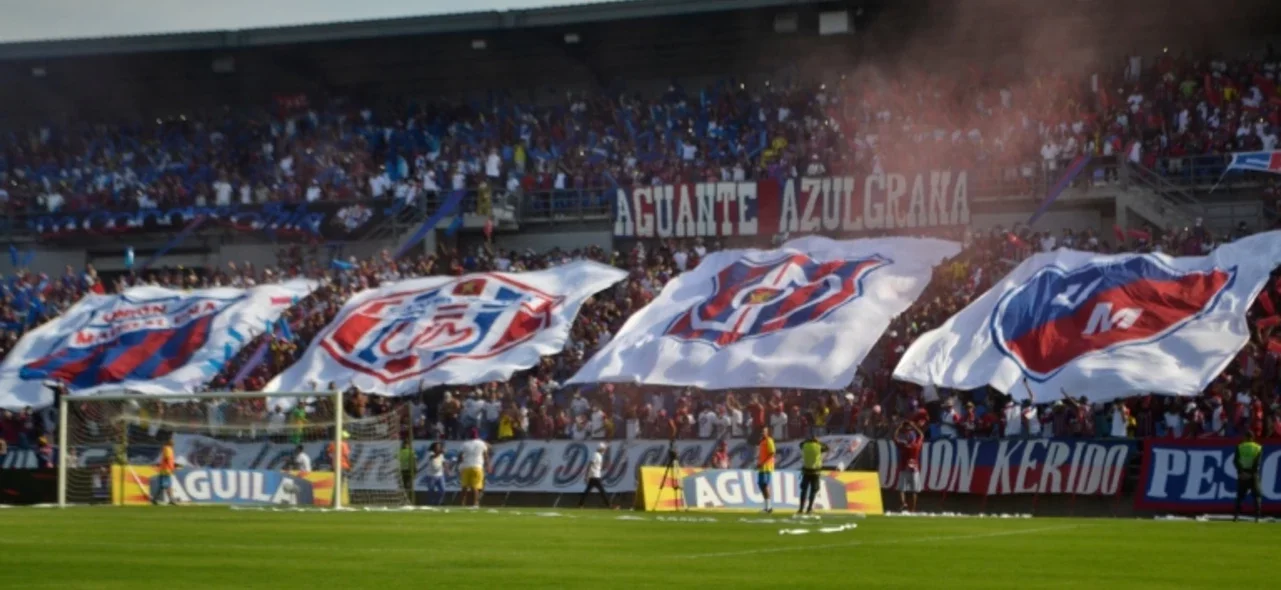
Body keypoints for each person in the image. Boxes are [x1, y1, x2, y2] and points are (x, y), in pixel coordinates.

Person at [894, 420, 925, 513]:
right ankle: (913, 509)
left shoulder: (903, 445)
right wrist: (914, 426)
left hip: (904, 468)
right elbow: (922, 435)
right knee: (914, 490)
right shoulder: (916, 446)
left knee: (901, 489)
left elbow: (894, 437)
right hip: (914, 469)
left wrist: (899, 427)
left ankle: (903, 503)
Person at [1234, 430, 1263, 522]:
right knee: (1257, 496)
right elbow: (1257, 463)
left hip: (1243, 474)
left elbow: (1235, 461)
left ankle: (1236, 516)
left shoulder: (1240, 447)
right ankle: (1257, 517)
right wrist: (1252, 473)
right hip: (1253, 474)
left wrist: (1241, 472)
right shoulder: (1258, 447)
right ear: (1253, 438)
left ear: (1245, 437)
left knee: (1240, 496)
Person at [797, 434, 829, 515]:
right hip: (815, 471)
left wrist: (807, 440)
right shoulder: (818, 446)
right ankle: (809, 508)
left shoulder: (805, 445)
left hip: (806, 471)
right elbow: (827, 448)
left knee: (804, 490)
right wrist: (818, 442)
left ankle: (801, 509)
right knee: (813, 491)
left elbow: (800, 444)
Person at [459, 428, 489, 508]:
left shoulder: (465, 444)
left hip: (466, 466)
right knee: (475, 486)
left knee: (464, 487)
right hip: (477, 466)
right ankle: (475, 503)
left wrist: (459, 463)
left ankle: (462, 503)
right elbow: (486, 455)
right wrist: (488, 465)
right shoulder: (482, 443)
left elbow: (460, 456)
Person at [579, 442, 611, 508]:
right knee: (602, 491)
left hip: (594, 476)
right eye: (603, 449)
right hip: (595, 476)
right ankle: (608, 505)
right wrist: (586, 475)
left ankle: (580, 504)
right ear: (601, 449)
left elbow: (597, 466)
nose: (604, 450)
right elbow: (590, 464)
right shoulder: (596, 455)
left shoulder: (599, 455)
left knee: (587, 491)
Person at [757, 428, 776, 513]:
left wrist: (763, 462)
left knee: (764, 485)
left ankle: (768, 507)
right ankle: (766, 507)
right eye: (761, 431)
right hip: (762, 466)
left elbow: (772, 452)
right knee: (761, 485)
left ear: (767, 432)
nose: (761, 433)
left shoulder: (769, 440)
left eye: (763, 431)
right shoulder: (761, 442)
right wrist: (759, 463)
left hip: (767, 466)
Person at [154, 436, 177, 506]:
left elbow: (169, 459)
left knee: (163, 486)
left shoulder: (169, 449)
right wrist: (171, 468)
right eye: (172, 441)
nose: (174, 442)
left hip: (166, 469)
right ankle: (171, 500)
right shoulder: (167, 448)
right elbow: (167, 459)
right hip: (166, 470)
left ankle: (154, 499)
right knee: (167, 486)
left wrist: (173, 465)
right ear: (169, 442)